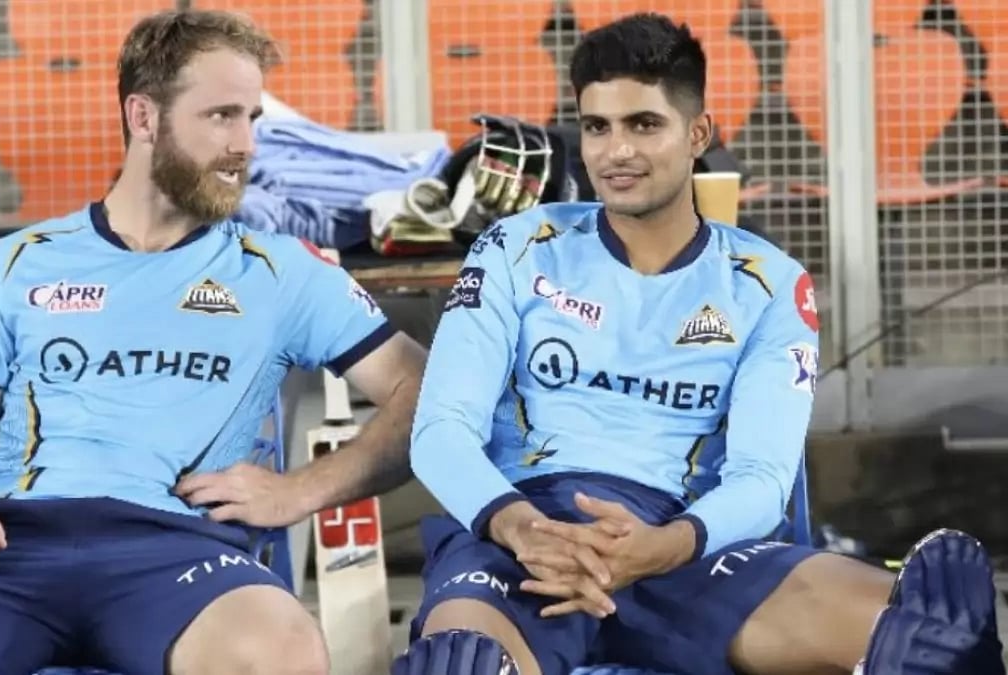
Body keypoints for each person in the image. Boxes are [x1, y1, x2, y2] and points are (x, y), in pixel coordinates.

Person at [0, 10, 426, 675]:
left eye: (253, 118)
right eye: (221, 116)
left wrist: (299, 490)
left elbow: (423, 392)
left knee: (282, 655)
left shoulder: (282, 270)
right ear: (144, 117)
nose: (246, 144)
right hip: (5, 549)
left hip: (179, 553)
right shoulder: (17, 263)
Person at [394, 13, 1004, 675]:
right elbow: (440, 429)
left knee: (927, 642)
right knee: (461, 664)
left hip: (693, 547)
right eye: (596, 126)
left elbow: (761, 479)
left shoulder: (768, 284)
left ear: (698, 134)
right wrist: (523, 528)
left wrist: (662, 546)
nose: (615, 151)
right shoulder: (514, 246)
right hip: (520, 541)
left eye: (643, 124)